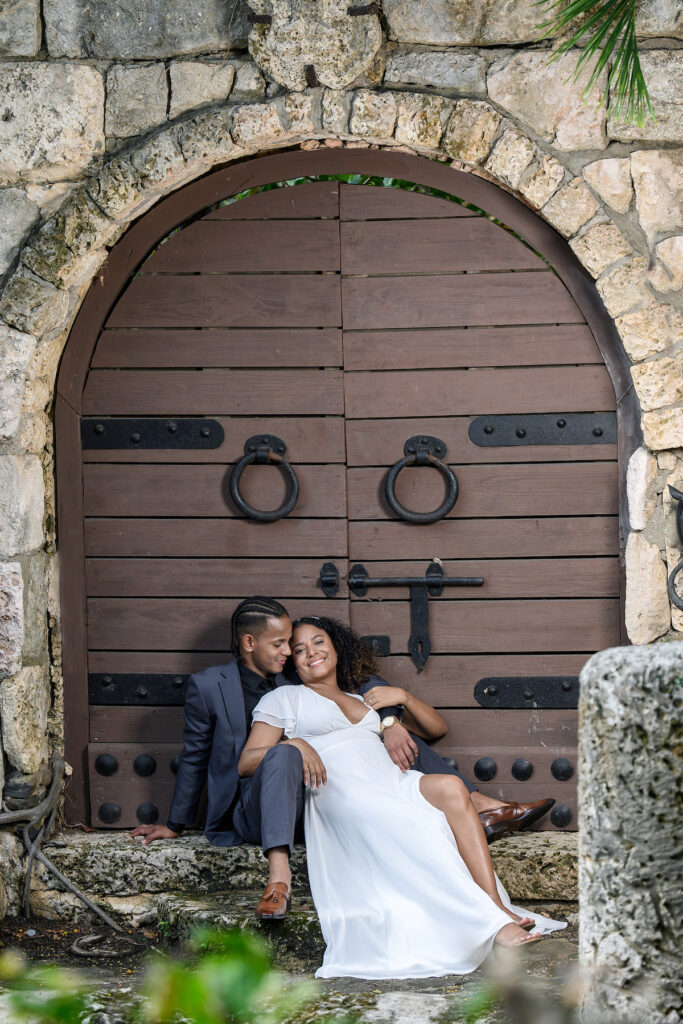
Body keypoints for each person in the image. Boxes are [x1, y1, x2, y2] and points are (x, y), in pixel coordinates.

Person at [131, 596, 554, 918]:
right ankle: (279, 880)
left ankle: (474, 804)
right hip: (254, 800)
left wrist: (390, 722)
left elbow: (362, 696)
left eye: (296, 645)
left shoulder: (304, 672)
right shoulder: (212, 686)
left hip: (316, 800)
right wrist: (174, 823)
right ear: (249, 643)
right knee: (283, 754)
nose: (290, 651)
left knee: (386, 732)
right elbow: (195, 754)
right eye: (284, 644)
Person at [240, 616, 566, 979]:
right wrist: (295, 743)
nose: (310, 653)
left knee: (451, 788)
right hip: (340, 791)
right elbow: (248, 761)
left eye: (318, 643)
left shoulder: (364, 700)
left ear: (335, 647)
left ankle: (493, 904)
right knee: (414, 818)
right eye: (299, 650)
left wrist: (404, 698)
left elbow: (436, 728)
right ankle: (490, 927)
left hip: (390, 781)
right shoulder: (285, 698)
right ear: (292, 662)